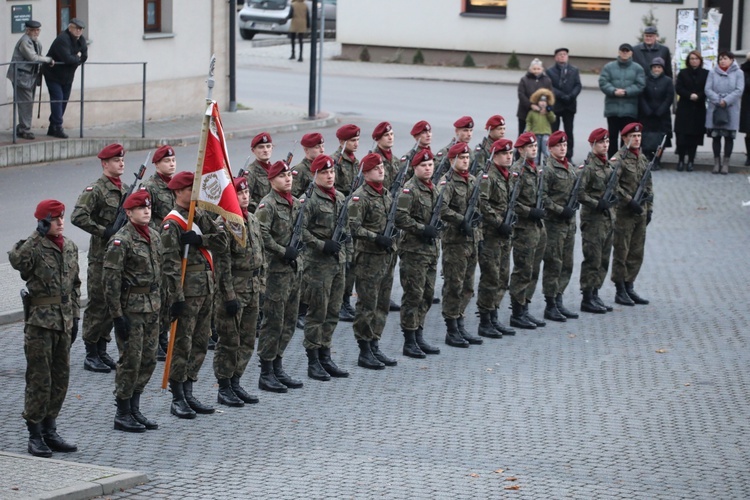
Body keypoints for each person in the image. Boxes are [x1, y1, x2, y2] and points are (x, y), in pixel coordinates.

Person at [9, 200, 80, 457]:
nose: (61, 222)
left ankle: (50, 429)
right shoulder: (34, 247)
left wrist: (75, 317)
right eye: (54, 218)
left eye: (62, 217)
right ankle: (35, 433)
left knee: (61, 378)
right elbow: (17, 261)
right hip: (40, 324)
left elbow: (75, 285)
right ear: (42, 222)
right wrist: (35, 236)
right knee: (40, 379)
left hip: (63, 322)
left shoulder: (70, 247)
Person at [161, 171, 227, 419]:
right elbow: (169, 265)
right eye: (191, 189)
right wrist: (175, 297)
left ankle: (189, 389)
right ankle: (177, 395)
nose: (195, 193)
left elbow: (221, 241)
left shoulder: (198, 215)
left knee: (200, 342)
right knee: (182, 343)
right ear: (178, 192)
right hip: (187, 292)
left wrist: (200, 239)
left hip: (206, 288)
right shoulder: (172, 223)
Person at [102, 191, 162, 433]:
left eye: (148, 207)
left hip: (152, 307)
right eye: (140, 208)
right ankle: (122, 411)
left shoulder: (154, 237)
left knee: (148, 360)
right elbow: (110, 280)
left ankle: (135, 407)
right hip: (132, 310)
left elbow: (160, 274)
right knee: (131, 361)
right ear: (128, 212)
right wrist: (117, 315)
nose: (147, 211)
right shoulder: (121, 241)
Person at [256, 162, 315, 391]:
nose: (288, 179)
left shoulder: (296, 203)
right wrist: (282, 251)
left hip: (293, 270)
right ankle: (266, 371)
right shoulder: (267, 205)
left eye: (289, 175)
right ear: (272, 180)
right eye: (282, 176)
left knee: (289, 322)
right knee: (273, 323)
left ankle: (278, 366)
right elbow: (261, 234)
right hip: (275, 273)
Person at [71, 143, 128, 374]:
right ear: (105, 164)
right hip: (100, 258)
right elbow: (77, 216)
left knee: (112, 304)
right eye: (116, 160)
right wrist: (103, 231)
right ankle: (91, 352)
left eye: (122, 159)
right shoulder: (95, 189)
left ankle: (102, 349)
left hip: (118, 258)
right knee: (97, 304)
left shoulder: (124, 189)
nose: (121, 163)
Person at [213, 176, 265, 405]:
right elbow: (222, 264)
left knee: (247, 340)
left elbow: (261, 255)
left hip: (252, 288)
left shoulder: (252, 219)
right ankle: (224, 386)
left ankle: (236, 381)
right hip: (234, 289)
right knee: (229, 340)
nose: (245, 196)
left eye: (247, 193)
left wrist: (261, 285)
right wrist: (229, 295)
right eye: (239, 193)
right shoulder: (223, 224)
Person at [301, 154, 350, 381]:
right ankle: (313, 361)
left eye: (332, 172)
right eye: (325, 173)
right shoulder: (308, 200)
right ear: (315, 175)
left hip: (337, 263)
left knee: (332, 312)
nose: (330, 176)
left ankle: (326, 355)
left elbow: (346, 227)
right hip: (317, 265)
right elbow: (300, 231)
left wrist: (344, 251)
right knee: (317, 314)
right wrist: (322, 245)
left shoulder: (339, 197)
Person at [348, 153, 398, 369]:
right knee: (367, 304)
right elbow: (353, 227)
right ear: (366, 173)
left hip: (386, 257)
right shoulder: (360, 197)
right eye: (375, 168)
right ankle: (364, 349)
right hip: (368, 258)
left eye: (381, 167)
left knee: (382, 304)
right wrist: (376, 237)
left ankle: (375, 343)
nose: (381, 170)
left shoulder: (386, 194)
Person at [395, 149, 442, 358]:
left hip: (431, 251)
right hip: (413, 250)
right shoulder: (409, 190)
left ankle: (419, 333)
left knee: (427, 295)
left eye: (430, 164)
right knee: (413, 295)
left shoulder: (434, 189)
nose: (428, 168)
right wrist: (423, 229)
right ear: (415, 168)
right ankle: (409, 339)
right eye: (423, 165)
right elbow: (400, 218)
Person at [439, 142, 484, 348]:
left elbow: (478, 210)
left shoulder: (473, 180)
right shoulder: (446, 182)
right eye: (461, 158)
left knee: (467, 286)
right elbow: (441, 209)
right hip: (454, 242)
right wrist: (460, 220)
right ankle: (451, 329)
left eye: (467, 158)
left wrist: (478, 234)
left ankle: (460, 321)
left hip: (471, 240)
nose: (465, 161)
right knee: (453, 286)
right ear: (451, 160)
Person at [476, 138, 517, 338]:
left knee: (502, 276)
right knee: (490, 277)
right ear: (495, 156)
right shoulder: (488, 177)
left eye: (510, 153)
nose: (509, 156)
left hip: (504, 234)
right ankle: (485, 320)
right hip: (491, 234)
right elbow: (482, 203)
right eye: (504, 153)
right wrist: (498, 223)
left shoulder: (508, 176)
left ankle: (494, 315)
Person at [140, 145, 177, 361]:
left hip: (174, 247)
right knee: (159, 296)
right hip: (158, 247)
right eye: (167, 161)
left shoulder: (177, 185)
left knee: (169, 295)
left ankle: (163, 336)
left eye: (173, 160)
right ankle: (155, 339)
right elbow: (144, 218)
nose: (171, 164)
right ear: (157, 164)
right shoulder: (150, 187)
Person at [611, 123, 652, 306]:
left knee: (636, 251)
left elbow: (648, 185)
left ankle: (629, 285)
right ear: (624, 138)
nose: (637, 139)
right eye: (633, 136)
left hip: (640, 213)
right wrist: (629, 200)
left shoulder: (642, 158)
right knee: (622, 251)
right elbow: (613, 185)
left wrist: (649, 209)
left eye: (639, 136)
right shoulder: (618, 159)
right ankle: (620, 289)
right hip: (624, 213)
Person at [508, 133, 547, 329]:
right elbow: (512, 202)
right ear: (520, 150)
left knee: (533, 269)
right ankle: (516, 312)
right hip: (523, 228)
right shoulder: (517, 171)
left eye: (535, 146)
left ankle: (525, 307)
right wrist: (530, 211)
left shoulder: (536, 169)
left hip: (537, 227)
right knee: (522, 269)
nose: (534, 149)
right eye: (529, 147)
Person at [577, 128, 616, 314]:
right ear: (593, 144)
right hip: (593, 219)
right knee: (593, 258)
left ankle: (595, 292)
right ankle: (587, 296)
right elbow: (579, 193)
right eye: (601, 142)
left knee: (603, 259)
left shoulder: (608, 165)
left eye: (607, 142)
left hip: (607, 218)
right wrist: (596, 203)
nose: (605, 145)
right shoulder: (588, 168)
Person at [540, 131, 578, 322]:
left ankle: (559, 298)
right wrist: (560, 209)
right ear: (551, 148)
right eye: (559, 146)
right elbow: (543, 197)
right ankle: (550, 304)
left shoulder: (569, 167)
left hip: (569, 224)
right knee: (553, 264)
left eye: (564, 145)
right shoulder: (548, 169)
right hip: (554, 224)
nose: (563, 148)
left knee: (567, 264)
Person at [6, 20, 54, 140]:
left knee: (28, 103)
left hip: (29, 77)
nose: (36, 32)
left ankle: (23, 127)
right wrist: (48, 60)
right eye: (33, 30)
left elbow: (38, 56)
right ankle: (24, 129)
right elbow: (32, 57)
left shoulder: (35, 42)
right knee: (26, 104)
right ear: (27, 30)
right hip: (21, 77)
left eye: (38, 30)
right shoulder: (25, 41)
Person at [331, 124, 361, 322]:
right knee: (341, 264)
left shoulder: (355, 162)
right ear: (342, 142)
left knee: (351, 263)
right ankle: (338, 303)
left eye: (357, 140)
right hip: (339, 215)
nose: (356, 144)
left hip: (352, 216)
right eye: (352, 140)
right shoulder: (335, 162)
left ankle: (345, 301)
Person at [599, 43, 646, 158]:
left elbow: (640, 85)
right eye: (623, 51)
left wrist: (626, 91)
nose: (625, 53)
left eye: (627, 51)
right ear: (619, 52)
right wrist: (613, 90)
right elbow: (603, 82)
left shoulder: (637, 68)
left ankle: (625, 160)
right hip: (613, 110)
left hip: (629, 110)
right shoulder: (609, 67)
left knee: (627, 137)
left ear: (631, 53)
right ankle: (611, 160)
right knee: (612, 137)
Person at [43, 18, 87, 139]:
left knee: (63, 101)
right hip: (53, 74)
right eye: (77, 28)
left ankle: (52, 127)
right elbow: (67, 58)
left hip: (68, 77)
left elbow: (84, 56)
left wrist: (76, 59)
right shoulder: (62, 39)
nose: (79, 31)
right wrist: (76, 59)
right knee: (58, 98)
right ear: (70, 28)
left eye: (81, 29)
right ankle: (58, 127)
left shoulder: (81, 40)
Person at [705, 51, 745, 174]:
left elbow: (739, 90)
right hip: (716, 107)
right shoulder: (713, 72)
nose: (722, 61)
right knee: (716, 137)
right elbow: (707, 89)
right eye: (720, 59)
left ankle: (726, 163)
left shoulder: (738, 73)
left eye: (725, 58)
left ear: (732, 60)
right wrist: (718, 100)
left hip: (731, 108)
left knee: (729, 137)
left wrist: (726, 100)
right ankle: (716, 163)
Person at [674, 51, 708, 172]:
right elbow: (678, 88)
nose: (694, 61)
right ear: (688, 60)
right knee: (682, 137)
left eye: (696, 59)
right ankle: (681, 160)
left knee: (694, 138)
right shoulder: (683, 73)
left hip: (698, 109)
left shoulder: (705, 73)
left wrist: (698, 96)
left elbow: (707, 89)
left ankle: (691, 161)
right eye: (692, 58)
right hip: (684, 108)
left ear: (700, 60)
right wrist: (689, 95)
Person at [547, 48, 581, 161]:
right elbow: (550, 87)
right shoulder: (550, 71)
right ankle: (554, 156)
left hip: (569, 105)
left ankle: (568, 156)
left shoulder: (574, 70)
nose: (562, 56)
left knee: (569, 132)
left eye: (565, 54)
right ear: (555, 57)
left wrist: (571, 95)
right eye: (560, 54)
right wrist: (562, 95)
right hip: (556, 105)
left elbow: (578, 85)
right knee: (554, 132)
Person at [638, 57, 674, 163]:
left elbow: (669, 97)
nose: (656, 69)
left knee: (660, 139)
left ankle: (657, 160)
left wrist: (661, 110)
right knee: (646, 138)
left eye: (659, 67)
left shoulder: (667, 81)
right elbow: (641, 96)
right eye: (654, 67)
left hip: (662, 116)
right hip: (646, 115)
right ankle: (646, 159)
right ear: (651, 68)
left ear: (662, 68)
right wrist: (647, 109)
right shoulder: (645, 80)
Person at [516, 58, 553, 137]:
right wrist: (531, 105)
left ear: (542, 69)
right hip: (524, 112)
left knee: (538, 135)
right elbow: (521, 94)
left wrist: (546, 108)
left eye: (538, 69)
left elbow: (550, 95)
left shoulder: (547, 80)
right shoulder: (524, 80)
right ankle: (520, 149)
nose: (536, 71)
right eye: (534, 69)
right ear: (530, 69)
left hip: (540, 113)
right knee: (523, 134)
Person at [244, 132, 275, 212]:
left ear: (272, 148)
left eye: (268, 146)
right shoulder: (250, 172)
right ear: (253, 150)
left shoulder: (275, 169)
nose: (265, 150)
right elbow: (246, 198)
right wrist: (262, 209)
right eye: (261, 147)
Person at [525, 89, 556, 163]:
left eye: (544, 101)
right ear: (537, 102)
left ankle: (547, 164)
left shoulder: (548, 112)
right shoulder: (532, 113)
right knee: (535, 151)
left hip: (546, 133)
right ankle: (535, 165)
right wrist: (528, 130)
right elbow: (528, 122)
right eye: (541, 101)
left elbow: (553, 120)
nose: (543, 103)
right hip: (535, 133)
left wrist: (548, 112)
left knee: (546, 151)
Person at [291, 132, 325, 198]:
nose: (322, 150)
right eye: (317, 147)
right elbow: (292, 197)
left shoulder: (325, 167)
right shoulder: (299, 170)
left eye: (323, 146)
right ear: (306, 150)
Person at [739, 53, 750, 167]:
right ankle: (749, 156)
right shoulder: (744, 70)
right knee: (749, 132)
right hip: (748, 104)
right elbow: (746, 85)